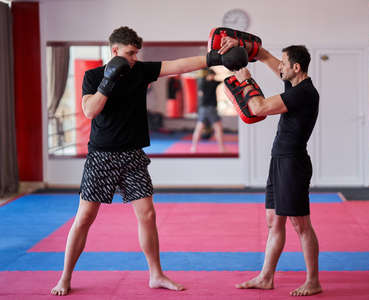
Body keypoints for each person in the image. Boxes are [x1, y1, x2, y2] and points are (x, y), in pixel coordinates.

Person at [50, 26, 243, 296]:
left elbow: (177, 65)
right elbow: (90, 110)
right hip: (102, 157)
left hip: (133, 156)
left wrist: (216, 58)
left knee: (148, 215)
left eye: (136, 53)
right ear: (115, 51)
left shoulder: (139, 71)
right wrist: (108, 80)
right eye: (129, 53)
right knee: (84, 218)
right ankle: (65, 277)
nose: (134, 59)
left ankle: (156, 274)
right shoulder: (93, 76)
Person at [220, 39, 322, 296]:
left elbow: (258, 107)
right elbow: (265, 56)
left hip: (293, 163)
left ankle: (313, 281)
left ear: (296, 67)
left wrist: (246, 80)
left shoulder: (304, 93)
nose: (280, 68)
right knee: (273, 221)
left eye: (285, 65)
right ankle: (266, 277)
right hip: (279, 159)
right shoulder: (294, 82)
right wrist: (240, 42)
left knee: (300, 225)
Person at [190, 69, 226, 153]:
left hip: (202, 108)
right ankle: (221, 148)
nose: (213, 77)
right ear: (211, 75)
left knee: (199, 128)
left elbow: (200, 94)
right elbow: (223, 81)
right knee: (218, 128)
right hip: (211, 108)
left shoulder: (202, 83)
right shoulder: (213, 83)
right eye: (213, 75)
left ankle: (193, 148)